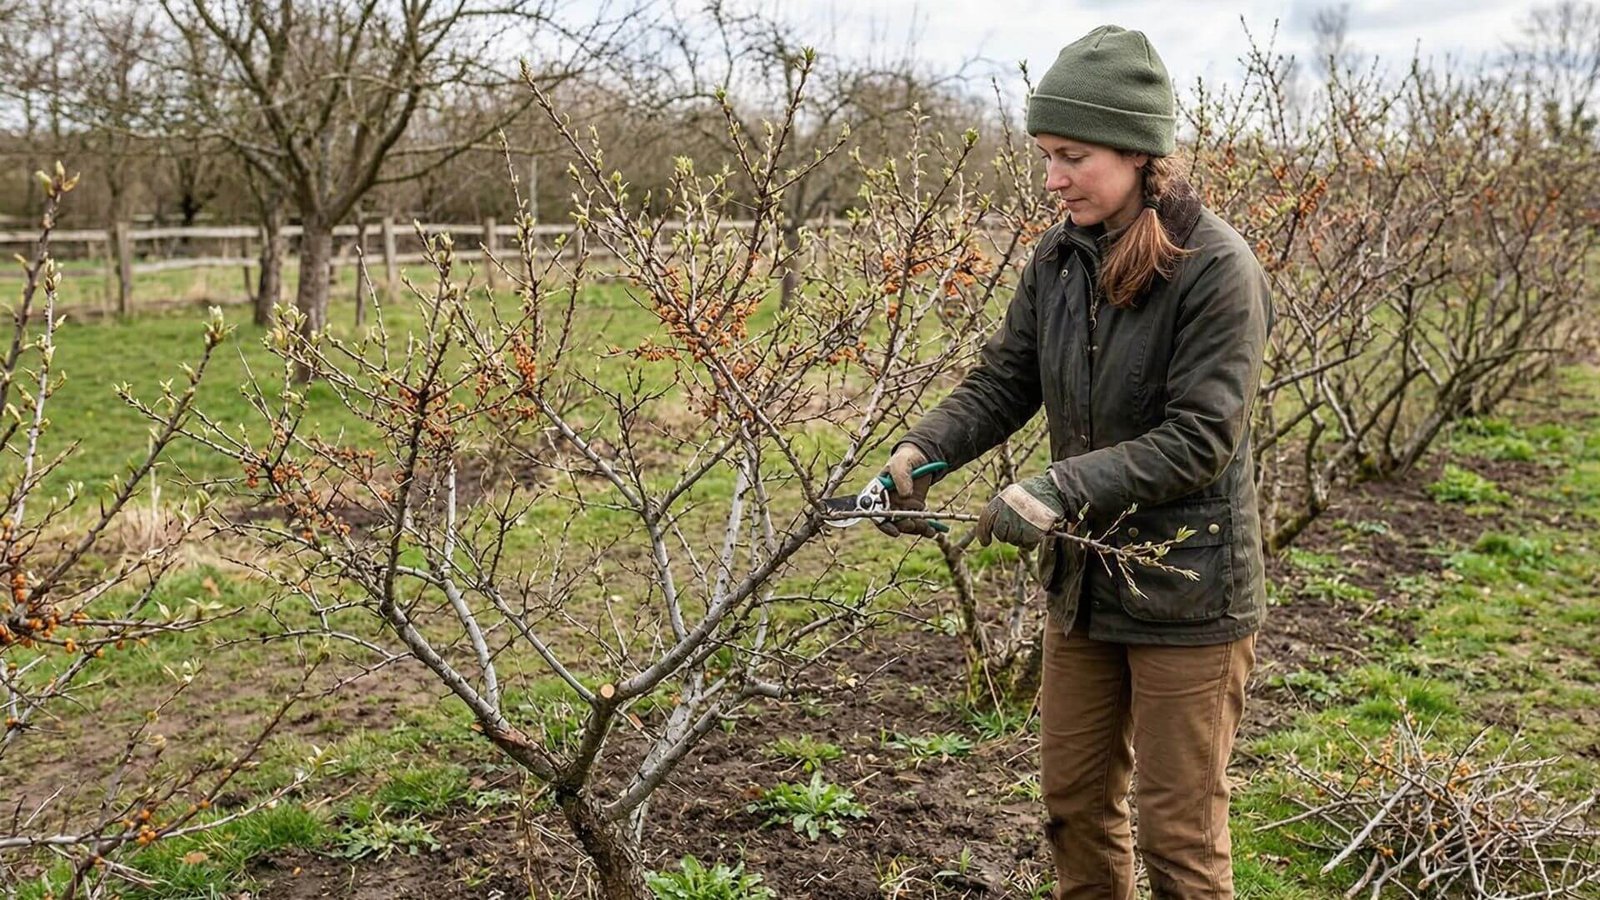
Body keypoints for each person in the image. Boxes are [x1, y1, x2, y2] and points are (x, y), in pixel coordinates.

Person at [876, 24, 1273, 900]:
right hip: (1085, 586)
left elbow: (1201, 437)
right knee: (1074, 807)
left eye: (1072, 156)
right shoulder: (1058, 257)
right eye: (1046, 155)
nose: (1052, 178)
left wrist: (1056, 485)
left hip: (1187, 588)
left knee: (1180, 836)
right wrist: (923, 451)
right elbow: (1005, 377)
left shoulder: (1217, 269)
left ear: (1137, 154)